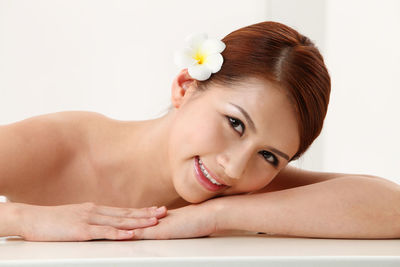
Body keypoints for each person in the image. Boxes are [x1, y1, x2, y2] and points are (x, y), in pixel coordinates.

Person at [0, 21, 399, 242]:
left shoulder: (243, 187)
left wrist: (215, 216)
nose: (234, 168)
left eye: (270, 155)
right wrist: (23, 220)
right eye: (236, 123)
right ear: (185, 87)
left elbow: (392, 206)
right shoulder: (61, 146)